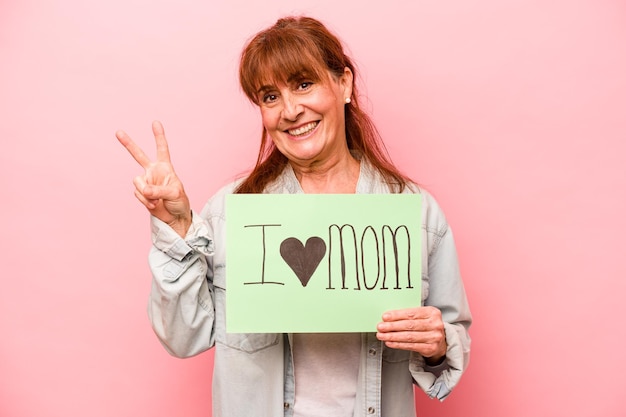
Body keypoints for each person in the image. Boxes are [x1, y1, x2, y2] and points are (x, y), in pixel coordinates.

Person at [116, 16, 471, 417]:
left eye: (304, 84)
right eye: (270, 97)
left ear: (345, 84)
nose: (289, 110)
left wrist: (438, 344)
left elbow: (449, 343)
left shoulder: (415, 212)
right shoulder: (231, 212)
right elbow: (182, 338)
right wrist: (177, 227)